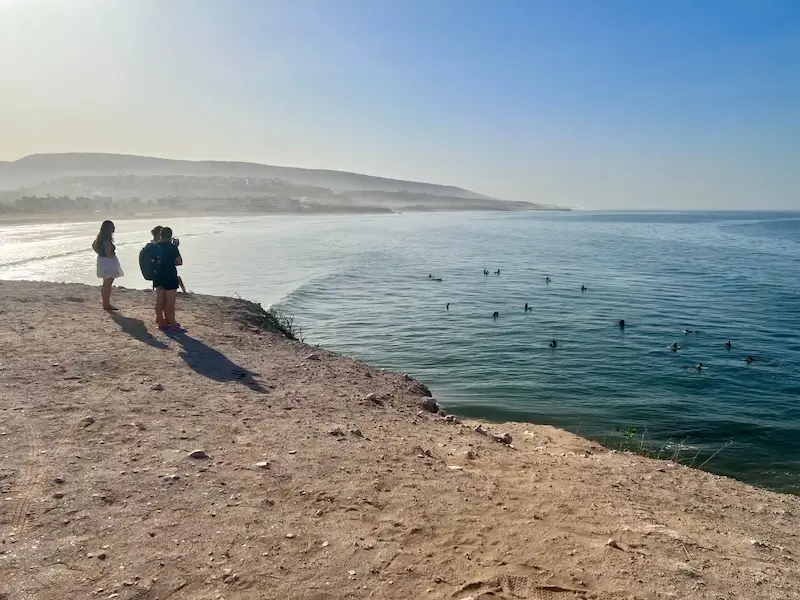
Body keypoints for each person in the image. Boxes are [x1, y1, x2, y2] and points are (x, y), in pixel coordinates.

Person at [153, 226, 183, 331]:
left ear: (161, 235)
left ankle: (161, 322)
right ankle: (173, 323)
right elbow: (179, 262)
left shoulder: (155, 246)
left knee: (160, 301)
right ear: (170, 236)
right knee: (170, 302)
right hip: (170, 275)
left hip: (158, 275)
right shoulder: (172, 247)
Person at [92, 220, 123, 310]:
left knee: (106, 283)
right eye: (112, 227)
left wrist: (100, 253)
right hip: (107, 262)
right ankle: (106, 304)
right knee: (108, 284)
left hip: (102, 260)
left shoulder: (100, 237)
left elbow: (93, 245)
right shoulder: (106, 239)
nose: (114, 229)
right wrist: (110, 255)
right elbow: (108, 252)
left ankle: (105, 303)